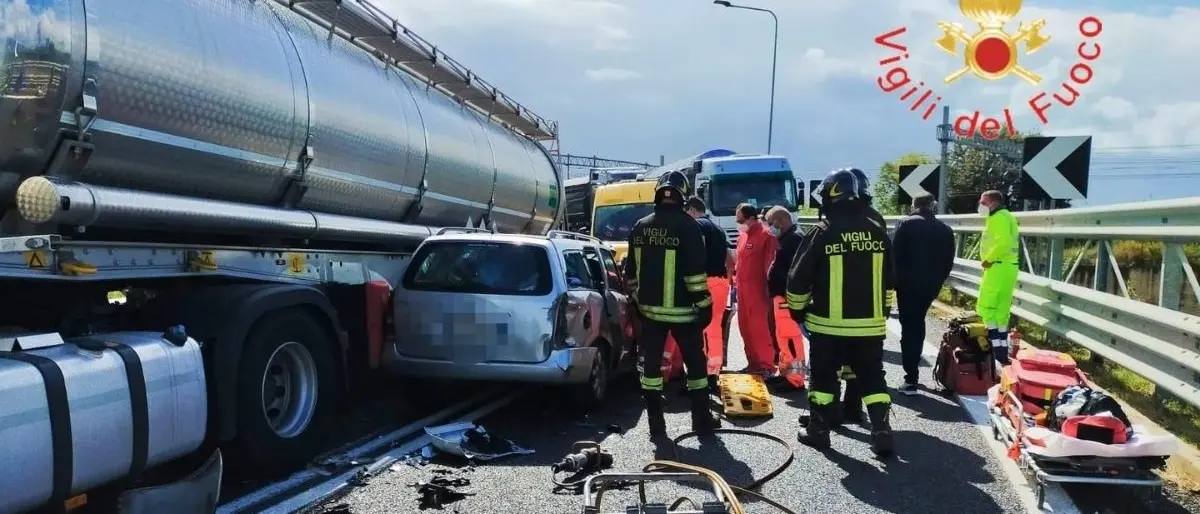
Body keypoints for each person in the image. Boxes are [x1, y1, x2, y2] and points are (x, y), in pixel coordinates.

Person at [786, 168, 896, 456]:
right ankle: (882, 432)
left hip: (827, 324)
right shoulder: (877, 229)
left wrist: (798, 313)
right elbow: (890, 279)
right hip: (870, 325)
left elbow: (798, 278)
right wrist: (882, 312)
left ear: (830, 195)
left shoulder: (823, 231)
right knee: (873, 377)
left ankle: (819, 431)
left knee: (824, 378)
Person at [623, 171, 719, 437]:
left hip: (650, 314)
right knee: (696, 368)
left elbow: (629, 273)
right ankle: (701, 422)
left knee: (651, 369)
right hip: (685, 315)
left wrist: (637, 301)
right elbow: (695, 277)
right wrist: (705, 305)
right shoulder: (689, 227)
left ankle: (656, 427)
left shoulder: (639, 226)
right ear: (683, 195)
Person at [892, 192, 955, 394]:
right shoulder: (945, 229)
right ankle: (912, 375)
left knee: (909, 327)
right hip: (930, 286)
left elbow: (894, 255)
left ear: (914, 205)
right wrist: (937, 282)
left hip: (907, 285)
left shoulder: (906, 224)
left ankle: (911, 378)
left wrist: (891, 283)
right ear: (932, 205)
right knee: (917, 323)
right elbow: (948, 262)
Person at [685, 196, 735, 385]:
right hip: (721, 282)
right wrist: (727, 282)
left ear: (691, 210)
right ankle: (713, 370)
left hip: (705, 281)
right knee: (714, 327)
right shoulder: (719, 229)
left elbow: (698, 252)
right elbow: (731, 258)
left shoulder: (697, 225)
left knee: (701, 328)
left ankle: (703, 374)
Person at [977, 190, 1020, 365]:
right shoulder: (1007, 216)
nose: (981, 206)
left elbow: (1003, 242)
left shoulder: (998, 218)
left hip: (997, 266)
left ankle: (994, 351)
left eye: (983, 202)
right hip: (1008, 267)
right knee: (1001, 312)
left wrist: (988, 260)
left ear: (993, 203)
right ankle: (1001, 352)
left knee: (987, 307)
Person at [733, 203, 778, 374]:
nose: (738, 223)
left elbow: (770, 265)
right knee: (745, 328)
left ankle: (766, 366)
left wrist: (769, 291)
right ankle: (753, 364)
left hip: (758, 292)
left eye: (740, 220)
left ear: (751, 218)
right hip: (743, 292)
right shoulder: (742, 236)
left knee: (759, 330)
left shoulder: (766, 235)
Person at [765, 206, 806, 388]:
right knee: (783, 337)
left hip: (787, 298)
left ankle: (795, 379)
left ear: (781, 221)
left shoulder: (794, 239)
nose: (769, 227)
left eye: (770, 223)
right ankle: (785, 372)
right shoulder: (787, 238)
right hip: (780, 297)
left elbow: (796, 272)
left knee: (790, 338)